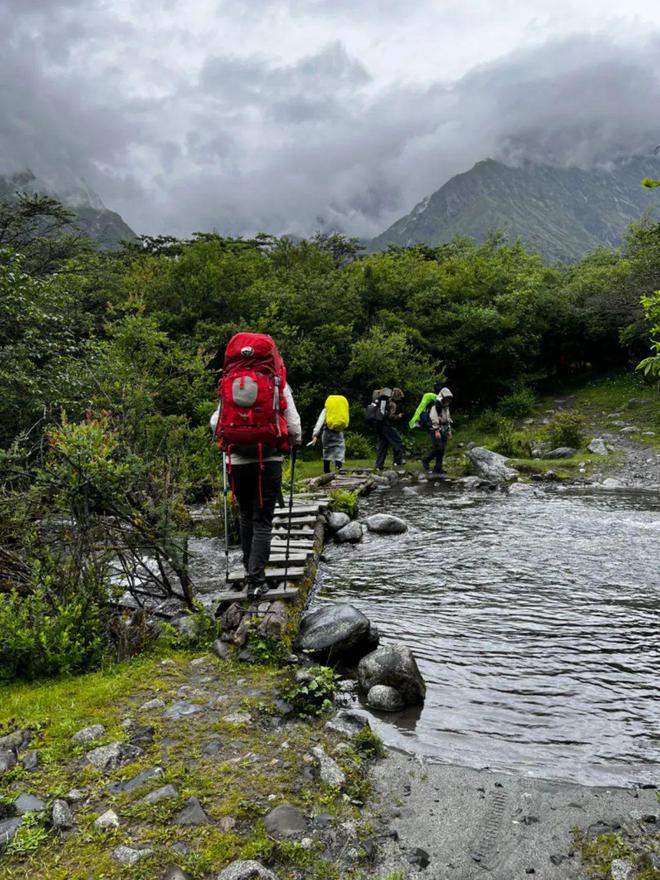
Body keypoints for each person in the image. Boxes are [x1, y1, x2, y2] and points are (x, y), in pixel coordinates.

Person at [211, 335, 302, 599]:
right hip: (268, 459)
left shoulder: (230, 382)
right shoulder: (277, 383)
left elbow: (216, 423)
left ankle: (248, 568)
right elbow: (293, 423)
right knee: (263, 519)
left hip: (237, 460)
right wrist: (293, 442)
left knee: (245, 515)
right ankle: (256, 579)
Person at [422, 387, 453, 474]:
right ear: (442, 397)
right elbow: (433, 417)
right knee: (438, 447)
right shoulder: (435, 405)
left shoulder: (446, 406)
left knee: (442, 449)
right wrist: (436, 430)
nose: (448, 399)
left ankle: (438, 468)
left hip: (444, 429)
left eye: (449, 398)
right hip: (435, 429)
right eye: (446, 398)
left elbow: (448, 418)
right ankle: (425, 460)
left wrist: (449, 430)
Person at [374, 387, 405, 470]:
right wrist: (399, 416)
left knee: (383, 445)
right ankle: (397, 463)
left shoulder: (383, 401)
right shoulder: (392, 404)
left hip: (379, 425)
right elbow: (391, 416)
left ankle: (379, 465)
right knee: (397, 442)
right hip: (387, 426)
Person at [310, 404, 346, 473]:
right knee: (340, 451)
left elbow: (320, 422)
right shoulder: (340, 410)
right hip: (339, 432)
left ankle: (326, 471)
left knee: (326, 451)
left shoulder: (326, 410)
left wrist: (315, 435)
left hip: (327, 433)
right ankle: (339, 470)